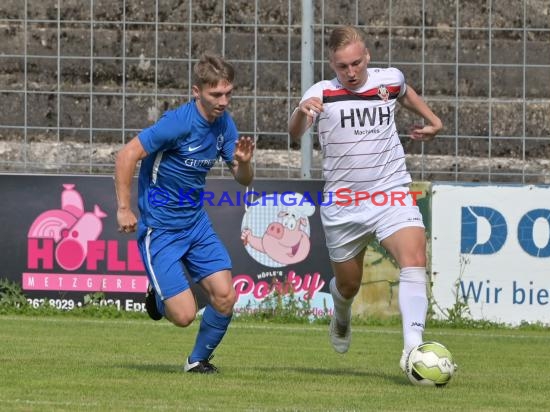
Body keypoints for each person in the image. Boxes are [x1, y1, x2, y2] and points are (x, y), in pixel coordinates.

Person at [288, 26, 442, 372]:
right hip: (343, 204)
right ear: (332, 63)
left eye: (357, 63)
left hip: (390, 192)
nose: (351, 72)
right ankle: (341, 315)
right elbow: (294, 132)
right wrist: (302, 111)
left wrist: (432, 120)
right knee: (348, 284)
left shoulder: (387, 80)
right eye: (343, 66)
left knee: (415, 257)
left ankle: (412, 351)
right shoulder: (322, 92)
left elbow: (405, 92)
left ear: (367, 57)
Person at [115, 52, 254, 374]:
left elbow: (243, 179)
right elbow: (127, 155)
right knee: (183, 316)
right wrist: (124, 208)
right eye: (215, 94)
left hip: (195, 224)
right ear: (197, 91)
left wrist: (244, 163)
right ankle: (158, 292)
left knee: (225, 296)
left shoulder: (225, 124)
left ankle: (197, 360)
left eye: (228, 93)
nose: (223, 101)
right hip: (160, 228)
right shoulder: (177, 123)